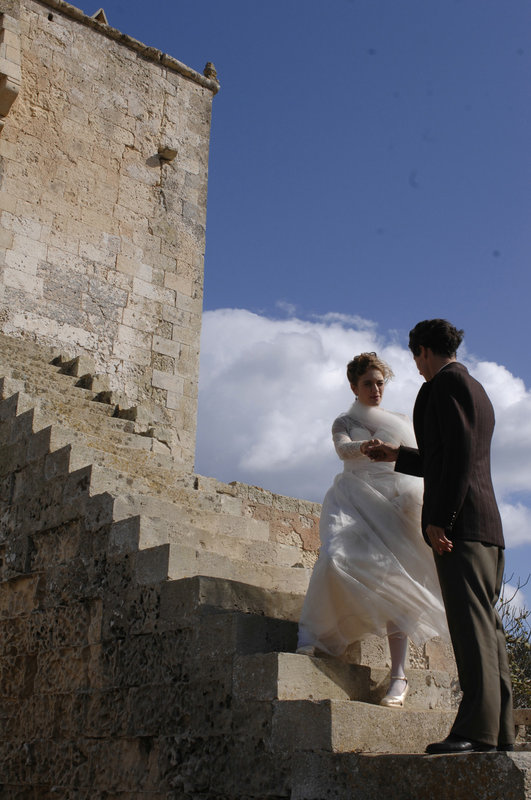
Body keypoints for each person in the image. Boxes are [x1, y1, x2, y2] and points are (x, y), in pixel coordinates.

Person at [368, 319, 514, 752]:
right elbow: (446, 453)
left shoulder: (442, 387)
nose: (415, 367)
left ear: (424, 351)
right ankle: (499, 733)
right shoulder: (475, 387)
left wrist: (440, 519)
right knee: (488, 631)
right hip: (487, 529)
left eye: (415, 356)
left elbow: (459, 459)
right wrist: (399, 455)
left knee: (471, 633)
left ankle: (473, 732)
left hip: (461, 528)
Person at [297, 352, 448, 707]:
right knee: (334, 557)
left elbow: (416, 457)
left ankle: (398, 675)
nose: (376, 389)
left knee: (398, 582)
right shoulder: (345, 419)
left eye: (381, 383)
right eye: (368, 383)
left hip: (396, 504)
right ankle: (314, 632)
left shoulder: (398, 419)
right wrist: (364, 447)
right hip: (355, 499)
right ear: (354, 386)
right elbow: (342, 449)